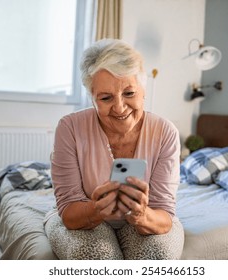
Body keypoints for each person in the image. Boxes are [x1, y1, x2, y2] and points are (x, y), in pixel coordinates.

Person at [45, 39, 184, 260]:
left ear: (143, 90)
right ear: (92, 98)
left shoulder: (165, 132)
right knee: (94, 254)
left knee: (157, 255)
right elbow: (69, 213)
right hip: (84, 219)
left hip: (143, 219)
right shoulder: (70, 127)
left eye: (129, 93)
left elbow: (164, 214)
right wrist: (95, 209)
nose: (119, 107)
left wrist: (142, 215)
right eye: (106, 98)